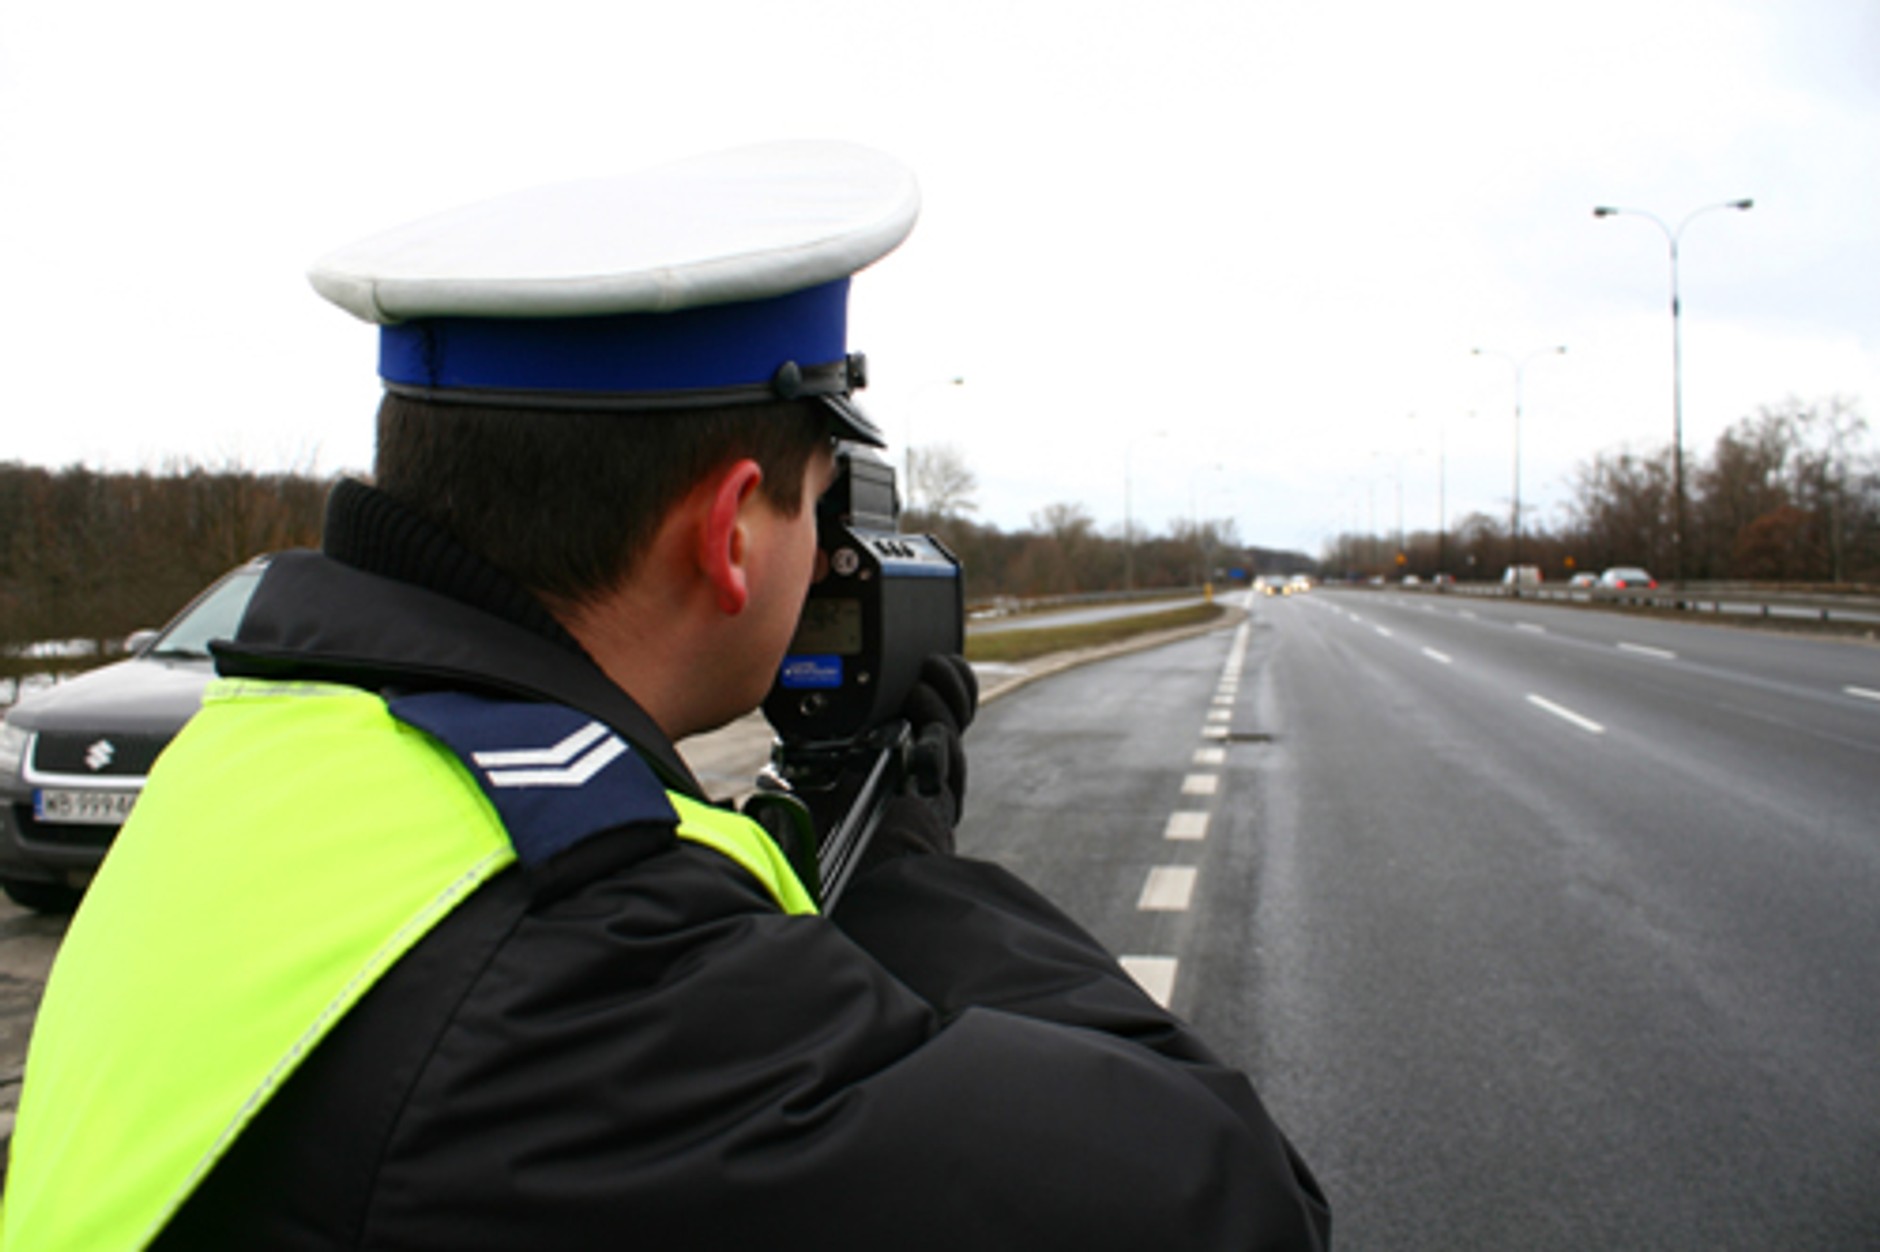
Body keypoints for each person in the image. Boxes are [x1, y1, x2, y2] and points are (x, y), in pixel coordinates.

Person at [1, 141, 1329, 1249]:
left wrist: (831, 826)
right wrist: (912, 867)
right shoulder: (591, 975)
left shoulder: (263, 756)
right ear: (733, 529)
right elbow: (1232, 1198)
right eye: (818, 507)